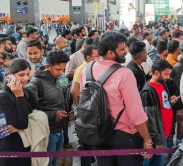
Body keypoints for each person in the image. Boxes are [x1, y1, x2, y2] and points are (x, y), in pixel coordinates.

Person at [79, 31, 152, 166]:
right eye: (122, 49)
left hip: (98, 133)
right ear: (109, 52)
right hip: (124, 136)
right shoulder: (124, 73)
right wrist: (147, 139)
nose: (126, 51)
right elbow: (135, 113)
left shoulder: (87, 69)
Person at [25, 50, 70, 166]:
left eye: (63, 69)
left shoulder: (59, 79)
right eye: (58, 69)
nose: (61, 72)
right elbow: (32, 112)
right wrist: (54, 114)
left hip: (60, 129)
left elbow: (63, 98)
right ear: (47, 66)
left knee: (55, 161)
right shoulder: (35, 84)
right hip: (47, 132)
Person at [0, 59, 39, 166]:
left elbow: (38, 113)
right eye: (21, 75)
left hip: (26, 145)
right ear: (9, 76)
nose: (26, 78)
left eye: (27, 74)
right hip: (10, 150)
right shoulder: (3, 96)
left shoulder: (26, 91)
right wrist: (19, 96)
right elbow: (22, 124)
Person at [141, 60, 175, 166]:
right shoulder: (148, 92)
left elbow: (163, 104)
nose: (168, 77)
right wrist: (158, 142)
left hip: (166, 132)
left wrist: (170, 101)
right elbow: (149, 121)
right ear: (156, 72)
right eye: (166, 74)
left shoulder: (162, 84)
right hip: (158, 137)